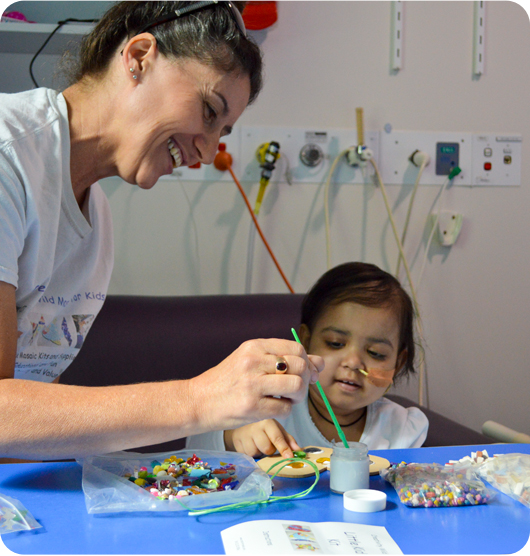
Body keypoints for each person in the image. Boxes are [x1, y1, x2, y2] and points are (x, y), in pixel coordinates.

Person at [0, 1, 323, 462]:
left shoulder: (97, 226)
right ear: (139, 57)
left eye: (223, 132)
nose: (208, 152)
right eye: (209, 111)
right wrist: (200, 398)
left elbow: (30, 428)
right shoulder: (7, 154)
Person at [186, 262, 429, 456]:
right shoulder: (271, 406)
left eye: (375, 353)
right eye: (335, 343)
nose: (354, 362)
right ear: (305, 341)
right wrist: (232, 439)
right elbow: (193, 446)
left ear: (397, 363)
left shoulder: (402, 429)